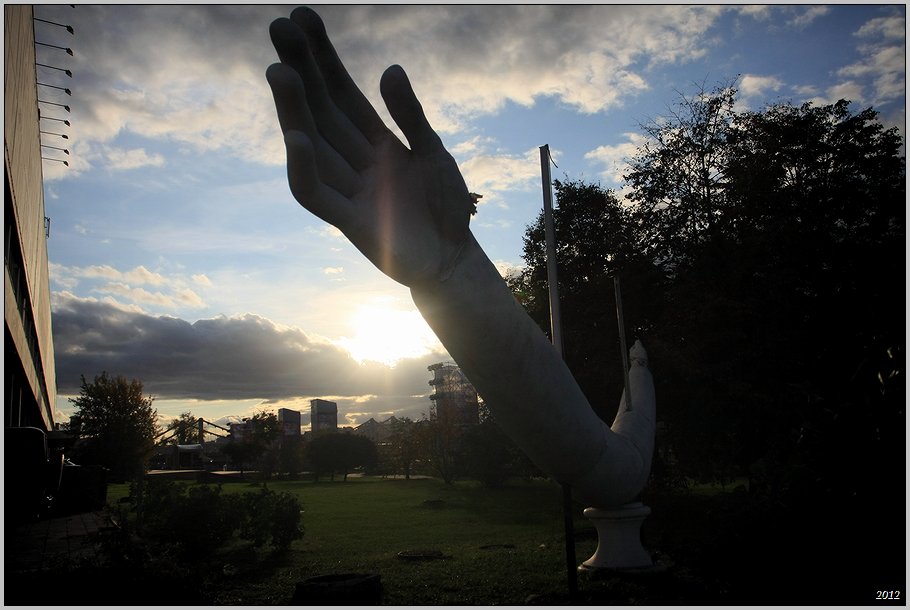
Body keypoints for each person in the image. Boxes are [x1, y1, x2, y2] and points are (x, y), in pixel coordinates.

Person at [266, 7, 654, 507]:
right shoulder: (607, 464)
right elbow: (607, 471)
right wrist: (449, 273)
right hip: (455, 279)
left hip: (459, 276)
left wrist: (453, 264)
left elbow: (610, 471)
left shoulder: (610, 465)